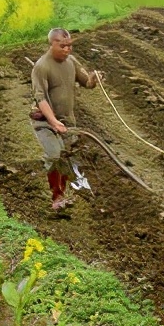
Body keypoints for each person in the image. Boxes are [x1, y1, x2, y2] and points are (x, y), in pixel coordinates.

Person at [30, 27, 104, 211]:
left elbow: (86, 82)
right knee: (56, 155)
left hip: (68, 122)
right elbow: (41, 100)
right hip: (45, 122)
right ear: (52, 44)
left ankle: (81, 190)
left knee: (73, 156)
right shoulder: (42, 67)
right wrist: (54, 122)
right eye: (62, 46)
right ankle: (57, 198)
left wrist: (94, 79)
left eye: (69, 46)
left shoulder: (71, 61)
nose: (67, 49)